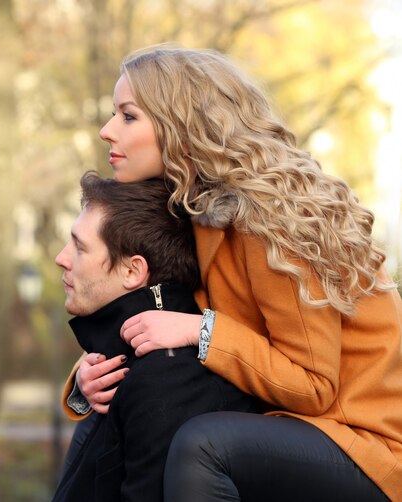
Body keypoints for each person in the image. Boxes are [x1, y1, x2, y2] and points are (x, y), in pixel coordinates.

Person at [62, 45, 402, 501]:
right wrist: (88, 380)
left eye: (128, 116)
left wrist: (200, 330)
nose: (107, 131)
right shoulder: (188, 207)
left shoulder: (271, 220)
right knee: (110, 408)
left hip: (362, 444)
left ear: (182, 130)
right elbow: (154, 315)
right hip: (275, 420)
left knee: (203, 447)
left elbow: (314, 387)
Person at [52, 172, 259, 502]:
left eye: (79, 247)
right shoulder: (123, 361)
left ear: (133, 271)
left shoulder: (166, 381)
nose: (61, 258)